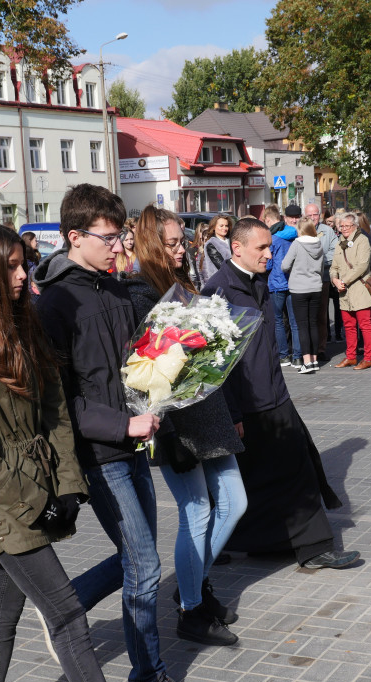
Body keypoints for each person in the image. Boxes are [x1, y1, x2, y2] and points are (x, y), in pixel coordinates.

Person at [0, 221, 193, 682]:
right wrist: (36, 504)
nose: (25, 275)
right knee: (69, 618)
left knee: (2, 614)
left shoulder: (18, 321)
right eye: (13, 268)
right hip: (2, 502)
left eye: (25, 264)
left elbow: (53, 410)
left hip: (38, 485)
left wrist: (67, 486)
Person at [34, 184, 206, 682]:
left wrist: (175, 362)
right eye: (109, 238)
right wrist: (121, 423)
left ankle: (67, 604)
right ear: (74, 237)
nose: (118, 247)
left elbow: (132, 363)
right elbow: (58, 399)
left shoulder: (113, 289)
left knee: (142, 558)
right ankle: (148, 678)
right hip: (99, 451)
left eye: (121, 236)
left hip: (135, 441)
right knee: (145, 563)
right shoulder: (57, 303)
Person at [119, 205, 248, 647]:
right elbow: (140, 369)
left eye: (181, 242)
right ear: (152, 245)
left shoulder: (181, 286)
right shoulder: (137, 292)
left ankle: (192, 586)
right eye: (171, 244)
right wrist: (163, 425)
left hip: (207, 413)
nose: (179, 250)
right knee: (198, 512)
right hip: (174, 421)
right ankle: (191, 608)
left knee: (234, 501)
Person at [201, 218, 360, 569]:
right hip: (246, 406)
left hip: (275, 395)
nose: (270, 254)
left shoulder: (259, 282)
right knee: (247, 481)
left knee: (297, 468)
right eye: (262, 248)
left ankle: (313, 547)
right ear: (237, 248)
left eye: (270, 247)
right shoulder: (218, 292)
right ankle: (227, 543)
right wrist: (234, 414)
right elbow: (215, 364)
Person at [330, 212, 371, 370]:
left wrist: (343, 281)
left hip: (359, 289)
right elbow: (334, 266)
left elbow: (362, 266)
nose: (344, 229)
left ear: (355, 226)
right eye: (341, 226)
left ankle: (368, 357)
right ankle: (351, 357)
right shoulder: (339, 242)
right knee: (348, 326)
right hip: (344, 292)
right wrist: (334, 279)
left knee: (365, 325)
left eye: (347, 226)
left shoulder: (362, 240)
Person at [281, 217, 325, 373]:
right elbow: (321, 267)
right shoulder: (319, 244)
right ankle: (314, 360)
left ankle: (306, 362)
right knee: (313, 323)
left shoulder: (297, 244)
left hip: (299, 288)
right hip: (316, 287)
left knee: (302, 325)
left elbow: (285, 265)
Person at [263, 206, 301, 367]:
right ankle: (298, 357)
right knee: (294, 321)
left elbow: (268, 263)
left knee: (278, 320)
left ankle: (283, 355)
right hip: (293, 283)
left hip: (276, 284)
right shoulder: (295, 236)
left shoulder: (273, 239)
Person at [305, 203, 339, 360]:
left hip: (323, 278)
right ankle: (308, 349)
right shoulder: (300, 229)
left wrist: (321, 261)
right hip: (304, 279)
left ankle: (321, 348)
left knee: (321, 315)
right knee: (306, 316)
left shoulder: (327, 231)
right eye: (309, 215)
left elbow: (335, 250)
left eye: (315, 215)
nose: (313, 218)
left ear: (320, 215)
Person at [199, 214, 232, 284]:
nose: (225, 228)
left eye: (226, 226)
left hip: (233, 280)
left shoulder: (231, 240)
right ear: (214, 227)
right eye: (221, 226)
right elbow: (222, 266)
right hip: (220, 282)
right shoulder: (211, 244)